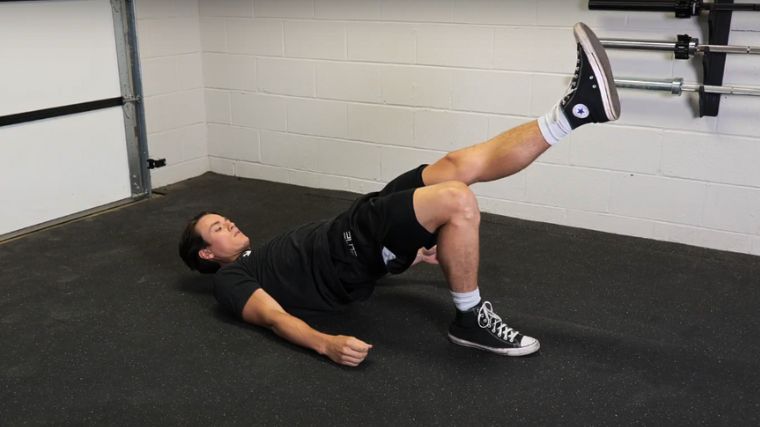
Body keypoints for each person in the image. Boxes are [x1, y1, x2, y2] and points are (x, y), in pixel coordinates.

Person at [178, 23, 620, 367]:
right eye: (217, 228)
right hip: (350, 247)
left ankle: (575, 110)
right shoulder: (229, 281)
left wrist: (403, 251)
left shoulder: (262, 255)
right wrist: (324, 344)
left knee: (453, 165)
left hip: (355, 225)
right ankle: (470, 319)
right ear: (206, 255)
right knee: (456, 199)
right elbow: (273, 317)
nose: (229, 223)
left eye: (224, 218)